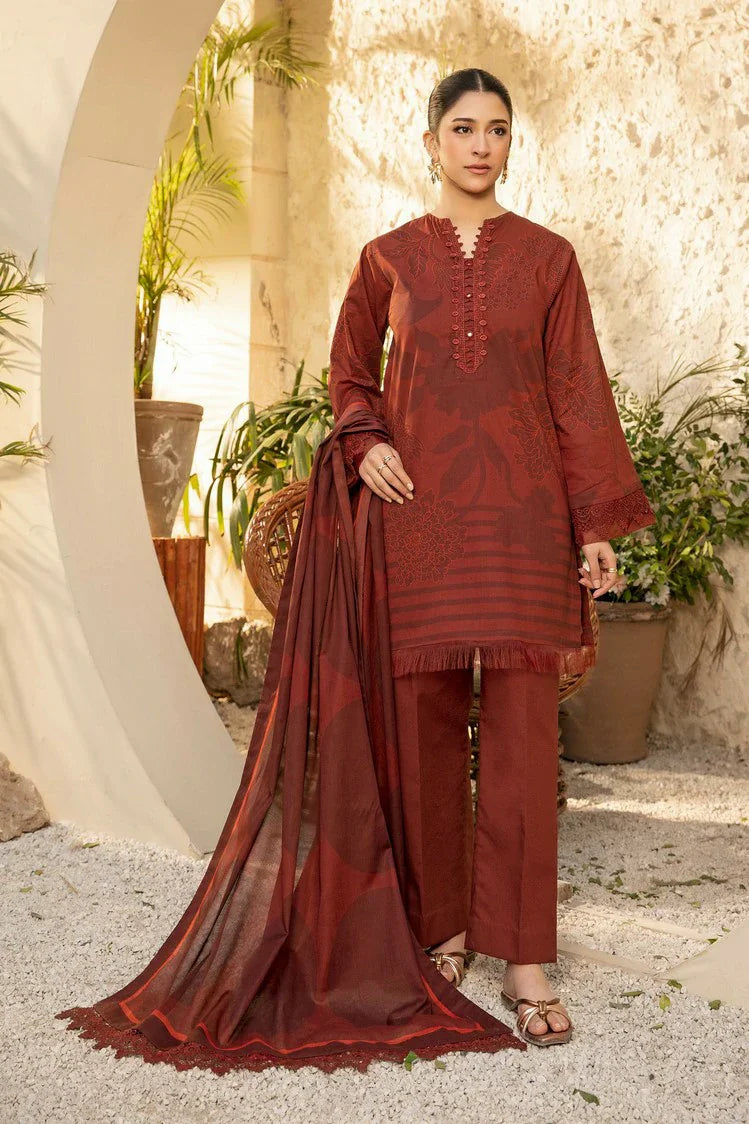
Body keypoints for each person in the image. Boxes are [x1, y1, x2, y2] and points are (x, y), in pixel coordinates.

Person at [327, 67, 656, 1046]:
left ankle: (523, 954)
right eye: (464, 127)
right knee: (422, 724)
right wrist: (365, 442)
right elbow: (348, 372)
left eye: (498, 129)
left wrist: (592, 524)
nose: (480, 145)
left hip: (523, 520)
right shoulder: (386, 258)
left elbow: (576, 390)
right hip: (419, 516)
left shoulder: (549, 259)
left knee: (520, 734)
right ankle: (441, 927)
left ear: (511, 144)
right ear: (430, 140)